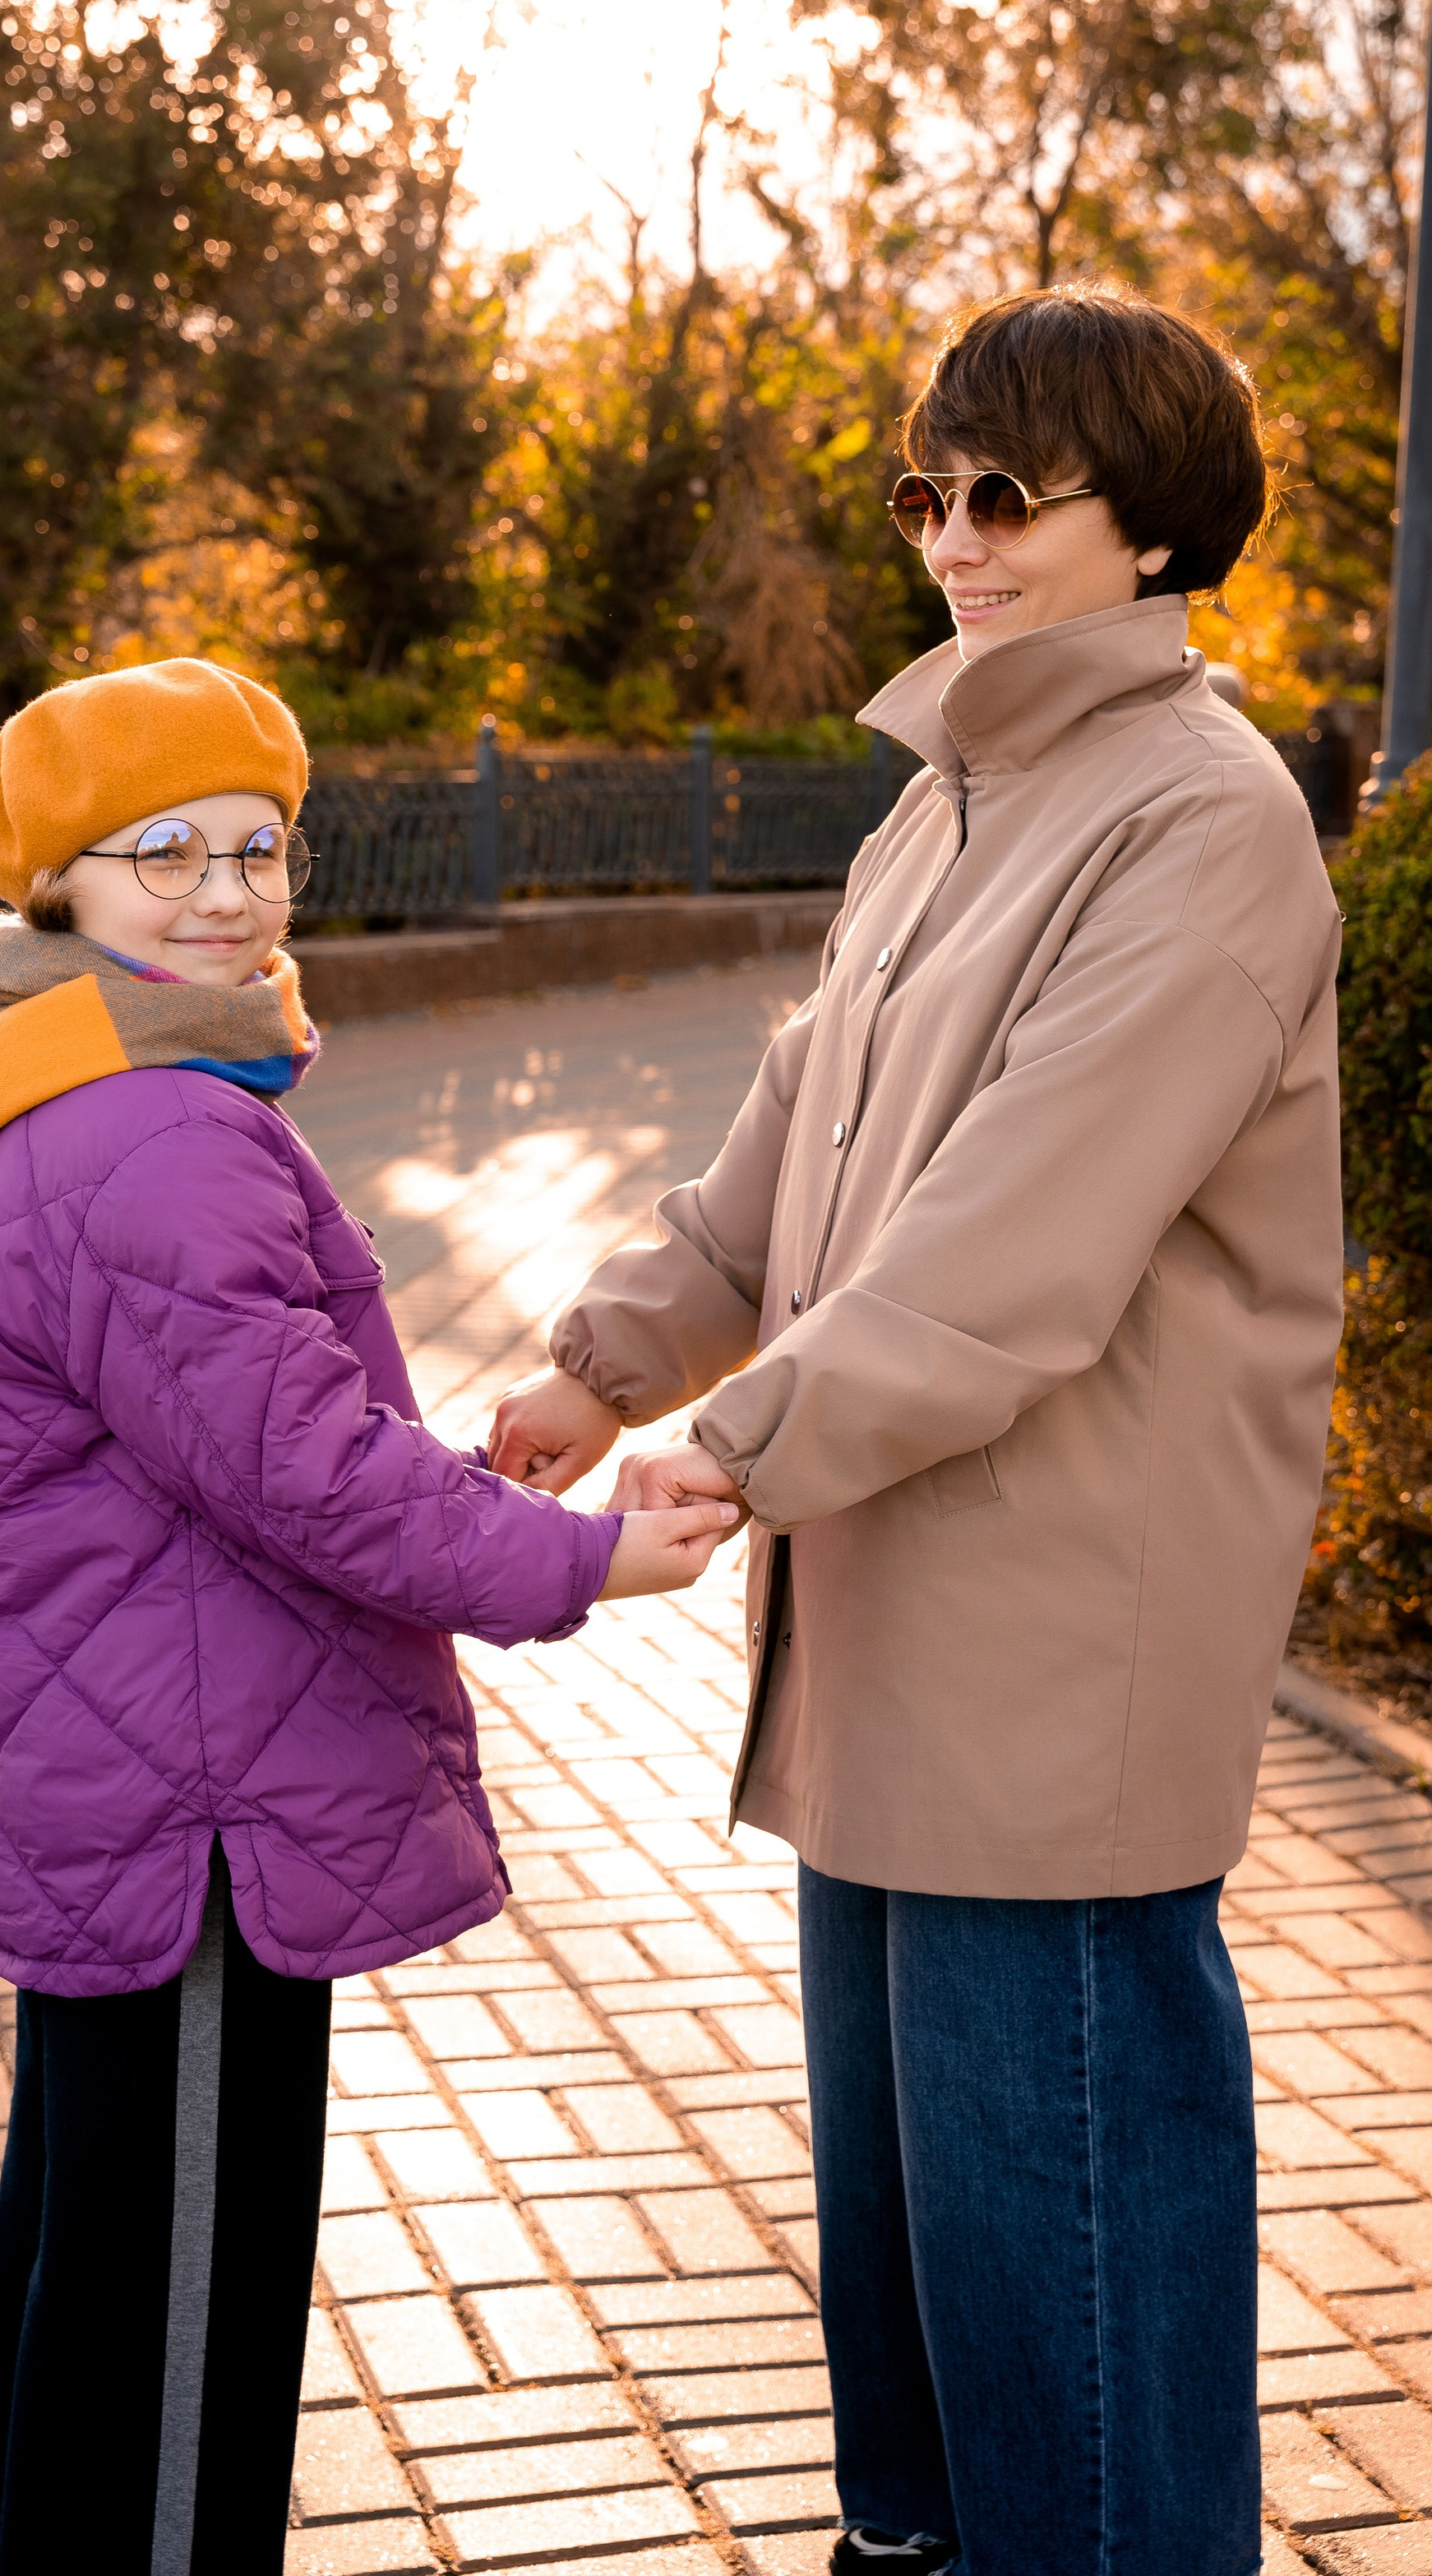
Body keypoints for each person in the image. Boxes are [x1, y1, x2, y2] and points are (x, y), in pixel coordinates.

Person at [0, 656, 738, 2576]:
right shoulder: (149, 1129)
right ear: (61, 888)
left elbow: (245, 1433)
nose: (220, 891)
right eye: (159, 853)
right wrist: (586, 1560)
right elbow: (301, 1474)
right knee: (186, 2282)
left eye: (255, 848)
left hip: (135, 1753)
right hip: (196, 1795)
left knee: (103, 2227)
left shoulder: (50, 1077)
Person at [490, 288, 1343, 2576]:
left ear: (1152, 523)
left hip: (1061, 1647)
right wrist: (605, 1361)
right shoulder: (951, 800)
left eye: (1007, 497)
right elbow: (795, 1150)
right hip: (883, 1619)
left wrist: (745, 1443)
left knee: (1065, 2292)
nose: (954, 542)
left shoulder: (1201, 823)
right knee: (915, 2308)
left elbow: (1017, 1241)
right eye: (926, 497)